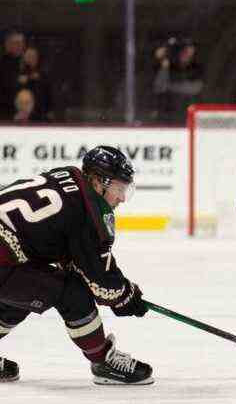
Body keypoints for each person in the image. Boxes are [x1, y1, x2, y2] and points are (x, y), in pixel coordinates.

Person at [0, 146, 151, 384]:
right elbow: (102, 284)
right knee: (71, 292)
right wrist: (126, 295)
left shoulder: (68, 175)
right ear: (99, 181)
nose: (122, 198)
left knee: (29, 289)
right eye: (119, 188)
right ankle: (103, 361)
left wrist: (118, 291)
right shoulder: (88, 211)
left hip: (8, 253)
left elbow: (72, 253)